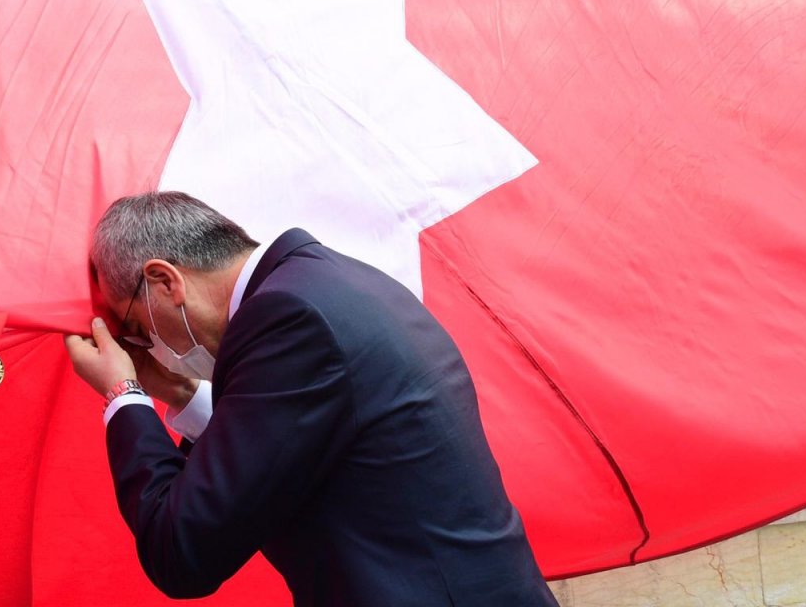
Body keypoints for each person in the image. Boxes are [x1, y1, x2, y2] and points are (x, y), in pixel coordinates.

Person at [64, 192, 559, 606]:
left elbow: (181, 550)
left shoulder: (286, 319)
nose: (145, 344)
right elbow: (280, 446)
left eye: (133, 325)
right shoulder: (322, 283)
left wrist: (123, 395)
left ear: (164, 281)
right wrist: (174, 389)